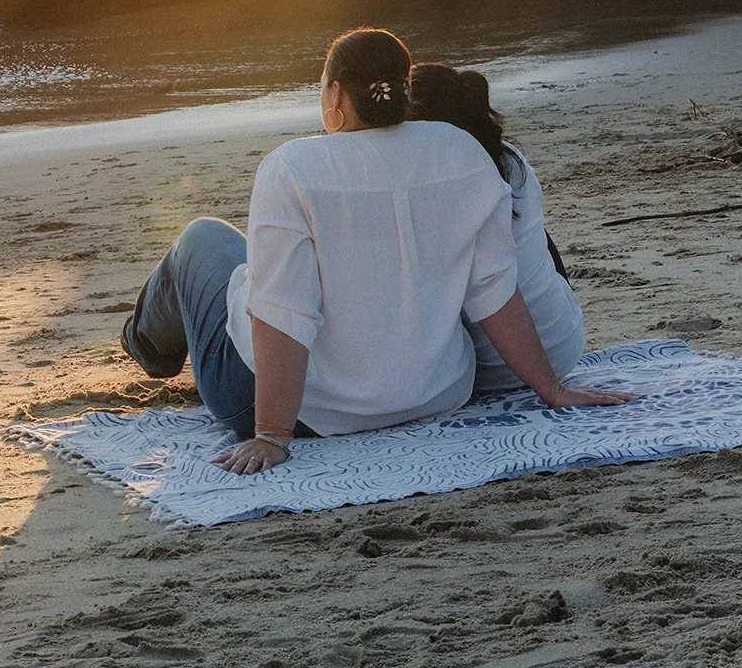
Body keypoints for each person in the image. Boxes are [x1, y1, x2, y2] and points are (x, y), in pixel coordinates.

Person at [121, 28, 626, 475]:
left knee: (203, 240)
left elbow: (284, 312)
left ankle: (145, 348)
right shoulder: (463, 152)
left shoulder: (292, 166)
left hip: (294, 415)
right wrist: (551, 389)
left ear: (336, 95)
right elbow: (494, 292)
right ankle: (151, 347)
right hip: (434, 398)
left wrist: (271, 434)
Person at [409, 63, 585, 394]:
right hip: (564, 346)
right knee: (529, 232)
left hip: (480, 372)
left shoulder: (420, 184)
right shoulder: (510, 160)